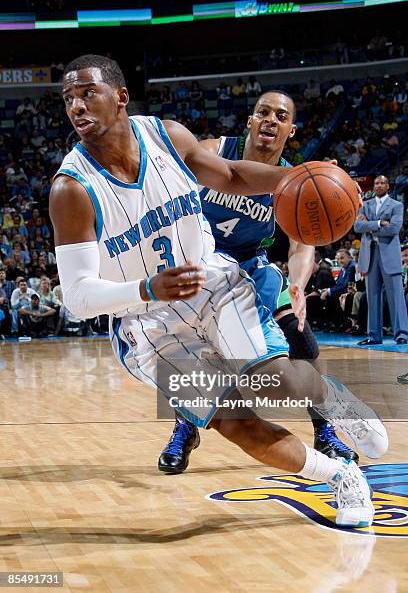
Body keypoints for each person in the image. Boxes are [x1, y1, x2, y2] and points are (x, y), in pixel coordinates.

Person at [50, 54, 388, 528]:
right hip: (147, 325)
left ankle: (339, 404)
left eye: (88, 93)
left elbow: (230, 176)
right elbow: (78, 297)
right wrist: (146, 287)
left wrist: (294, 177)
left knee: (276, 378)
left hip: (212, 281)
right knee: (235, 421)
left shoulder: (168, 136)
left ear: (120, 97)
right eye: (69, 99)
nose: (77, 106)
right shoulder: (71, 188)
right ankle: (341, 474)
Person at [159, 91, 357, 475]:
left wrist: (298, 284)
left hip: (251, 269)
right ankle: (185, 426)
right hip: (199, 269)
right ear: (250, 120)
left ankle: (325, 429)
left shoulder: (293, 180)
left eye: (280, 116)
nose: (270, 119)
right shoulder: (216, 149)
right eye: (263, 112)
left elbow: (302, 246)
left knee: (303, 341)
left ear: (291, 130)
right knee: (188, 354)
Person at [354, 175, 408, 345]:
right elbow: (357, 226)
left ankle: (402, 334)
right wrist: (378, 223)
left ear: (388, 186)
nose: (379, 185)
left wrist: (369, 226)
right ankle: (373, 335)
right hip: (370, 255)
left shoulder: (397, 205)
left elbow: (393, 229)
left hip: (389, 255)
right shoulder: (364, 205)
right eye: (376, 183)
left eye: (383, 182)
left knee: (396, 297)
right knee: (372, 296)